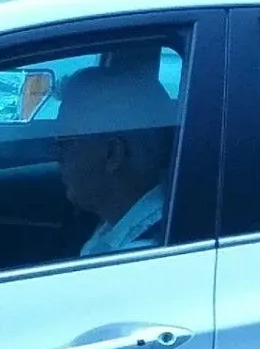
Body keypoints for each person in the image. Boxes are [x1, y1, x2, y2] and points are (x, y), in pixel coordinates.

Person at [53, 64, 179, 257]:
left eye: (65, 141)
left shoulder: (140, 254)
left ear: (113, 154)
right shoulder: (122, 223)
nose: (57, 153)